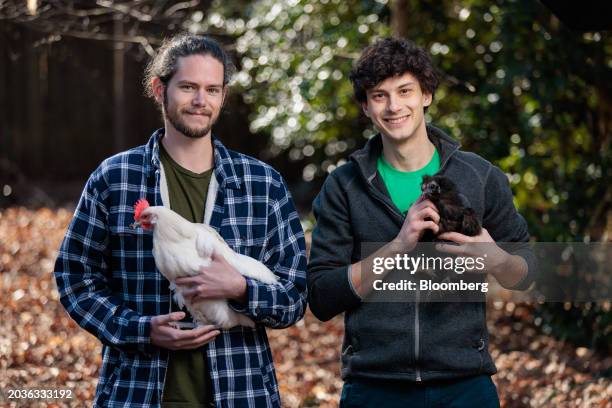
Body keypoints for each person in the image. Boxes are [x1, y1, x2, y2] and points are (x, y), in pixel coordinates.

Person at [54, 34, 307, 407]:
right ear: (159, 89)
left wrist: (241, 288)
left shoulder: (262, 184)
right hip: (137, 393)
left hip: (242, 390)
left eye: (212, 89)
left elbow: (295, 295)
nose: (201, 101)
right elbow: (75, 279)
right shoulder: (115, 178)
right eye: (188, 87)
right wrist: (141, 330)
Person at [307, 37, 536, 407]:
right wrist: (397, 247)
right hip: (374, 387)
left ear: (426, 95)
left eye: (405, 90)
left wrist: (496, 259)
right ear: (365, 107)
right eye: (379, 95)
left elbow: (526, 272)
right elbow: (321, 296)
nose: (394, 106)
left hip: (465, 385)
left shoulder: (480, 176)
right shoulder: (343, 186)